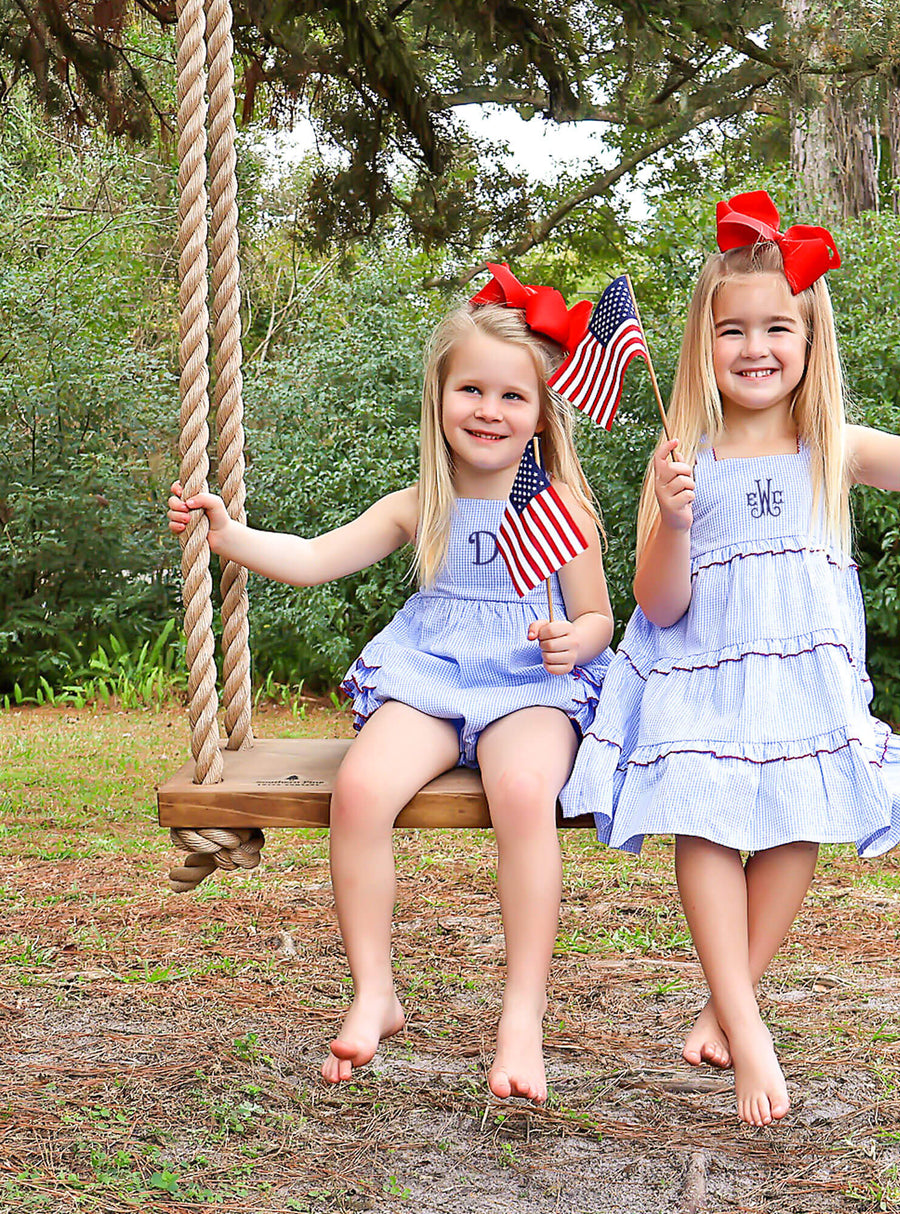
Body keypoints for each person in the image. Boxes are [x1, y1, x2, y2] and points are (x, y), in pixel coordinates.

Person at [562, 190, 900, 1127]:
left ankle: (728, 1002)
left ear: (808, 339)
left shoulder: (831, 448)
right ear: (702, 345)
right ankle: (749, 1032)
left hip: (803, 693)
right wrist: (671, 517)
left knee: (799, 813)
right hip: (701, 684)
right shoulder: (685, 458)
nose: (756, 348)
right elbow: (660, 602)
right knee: (704, 821)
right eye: (733, 331)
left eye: (777, 329)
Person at [168, 265, 614, 1101]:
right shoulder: (418, 505)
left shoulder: (563, 508)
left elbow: (599, 618)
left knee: (523, 792)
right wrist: (230, 535)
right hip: (435, 672)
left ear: (543, 414)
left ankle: (522, 1017)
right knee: (363, 788)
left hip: (528, 684)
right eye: (471, 389)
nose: (489, 409)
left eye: (514, 397)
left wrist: (573, 638)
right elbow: (309, 562)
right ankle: (376, 989)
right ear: (440, 397)